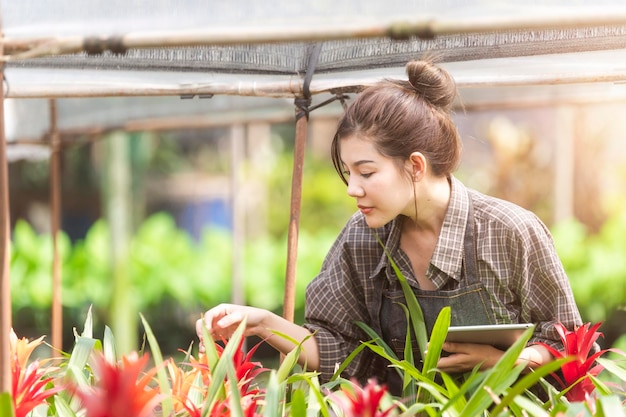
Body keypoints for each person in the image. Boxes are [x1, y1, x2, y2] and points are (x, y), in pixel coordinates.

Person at [196, 59, 585, 394]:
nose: (352, 188)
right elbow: (337, 352)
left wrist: (505, 360)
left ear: (415, 166)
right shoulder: (361, 238)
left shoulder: (510, 230)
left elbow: (568, 346)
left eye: (366, 172)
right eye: (348, 173)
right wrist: (263, 322)